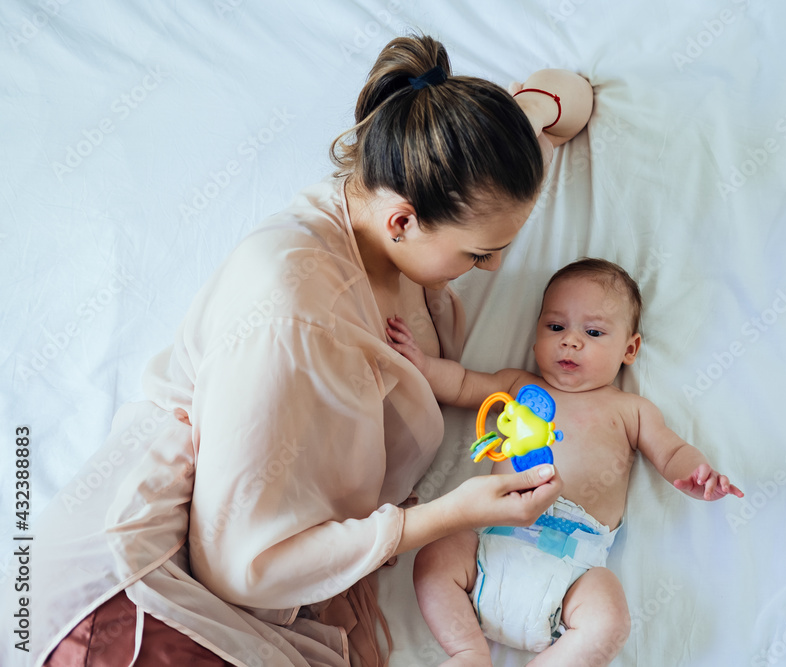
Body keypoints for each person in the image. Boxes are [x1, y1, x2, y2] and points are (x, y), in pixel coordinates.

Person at [26, 35, 596, 667]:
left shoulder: (413, 179)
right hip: (142, 596)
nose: (491, 270)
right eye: (477, 254)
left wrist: (534, 109)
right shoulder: (295, 324)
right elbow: (240, 570)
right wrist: (442, 517)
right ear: (403, 222)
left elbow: (568, 94)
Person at [386, 258, 745, 666]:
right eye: (556, 327)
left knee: (609, 618)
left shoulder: (631, 410)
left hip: (573, 566)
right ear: (536, 334)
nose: (570, 341)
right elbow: (464, 384)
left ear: (630, 349)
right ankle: (468, 650)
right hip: (494, 543)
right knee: (435, 555)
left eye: (592, 332)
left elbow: (673, 451)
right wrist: (422, 365)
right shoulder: (520, 386)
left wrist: (695, 473)